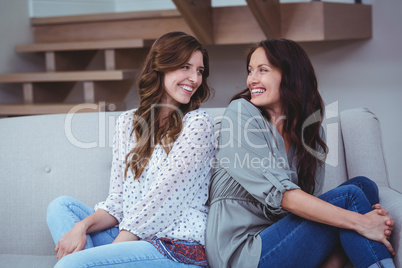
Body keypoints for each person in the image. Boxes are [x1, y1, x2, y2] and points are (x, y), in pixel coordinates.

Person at [205, 38, 395, 268]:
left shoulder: (312, 135)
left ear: (291, 76)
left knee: (364, 186)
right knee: (350, 198)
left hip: (282, 242)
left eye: (262, 70)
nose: (251, 79)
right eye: (250, 70)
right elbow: (283, 196)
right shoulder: (241, 113)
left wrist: (361, 222)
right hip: (243, 253)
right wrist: (361, 222)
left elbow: (311, 209)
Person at [47, 31, 216, 268]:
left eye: (199, 71)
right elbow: (117, 201)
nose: (194, 78)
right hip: (133, 237)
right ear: (161, 67)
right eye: (185, 67)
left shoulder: (197, 124)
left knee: (71, 265)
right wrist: (81, 227)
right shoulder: (127, 122)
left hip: (176, 247)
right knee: (60, 207)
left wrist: (112, 252)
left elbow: (164, 200)